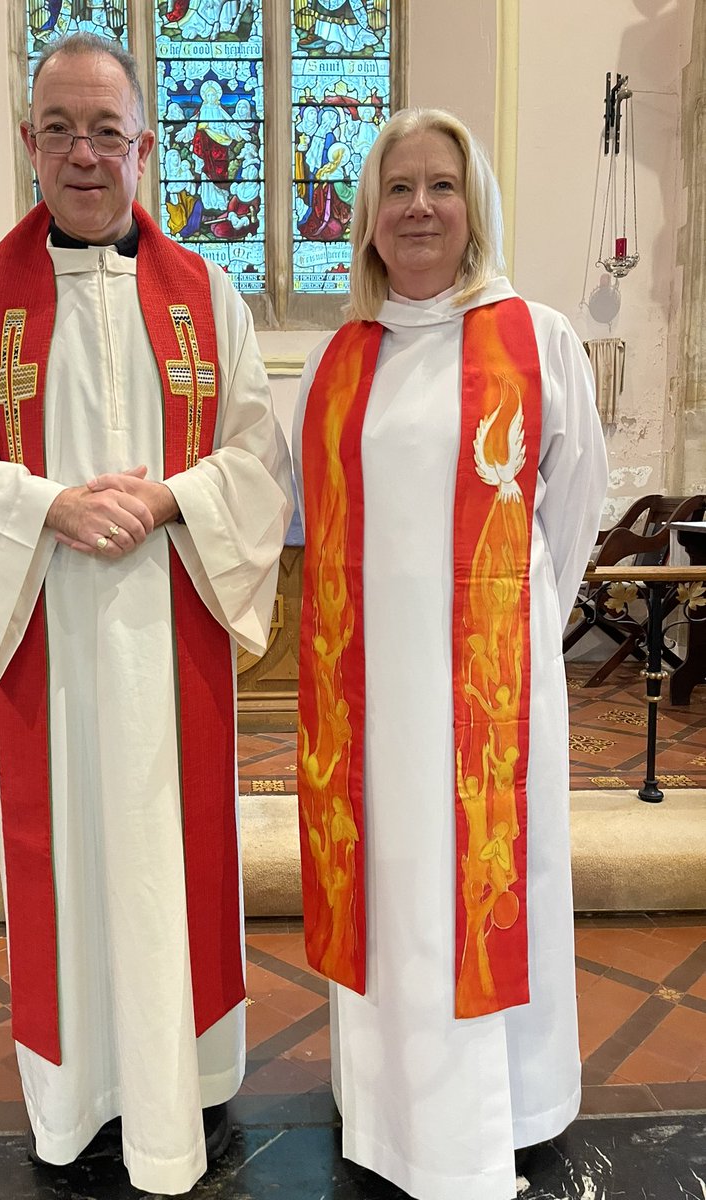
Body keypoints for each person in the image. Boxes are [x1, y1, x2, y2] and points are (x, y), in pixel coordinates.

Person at [0, 32, 292, 1196]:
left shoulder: (206, 297)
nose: (85, 154)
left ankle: (187, 1084)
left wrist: (173, 497)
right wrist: (48, 507)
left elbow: (256, 455)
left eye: (107, 132)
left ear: (146, 147)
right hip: (58, 648)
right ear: (30, 143)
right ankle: (79, 1096)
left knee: (173, 866)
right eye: (60, 130)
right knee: (69, 861)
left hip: (172, 638)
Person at [292, 108, 607, 1200]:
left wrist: (522, 628)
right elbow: (300, 516)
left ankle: (511, 1108)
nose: (418, 208)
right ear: (368, 218)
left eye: (441, 186)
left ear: (475, 205)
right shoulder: (340, 360)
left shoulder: (537, 337)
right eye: (396, 189)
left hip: (490, 691)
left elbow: (576, 503)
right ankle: (389, 1109)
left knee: (488, 887)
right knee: (392, 888)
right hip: (369, 701)